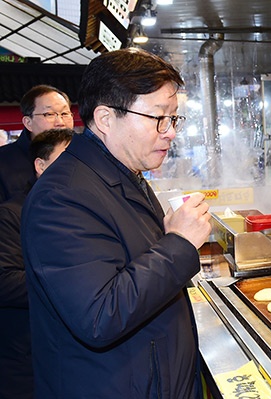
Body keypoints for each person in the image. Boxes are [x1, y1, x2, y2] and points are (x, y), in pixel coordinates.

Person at [21, 48, 212, 398]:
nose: (170, 132)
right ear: (106, 118)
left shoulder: (123, 174)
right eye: (159, 118)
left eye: (174, 119)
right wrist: (179, 244)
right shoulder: (63, 195)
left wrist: (166, 235)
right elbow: (99, 316)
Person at [0, 128, 73, 399]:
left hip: (69, 356)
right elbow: (5, 282)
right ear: (40, 166)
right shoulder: (11, 215)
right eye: (67, 159)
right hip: (25, 359)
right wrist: (74, 281)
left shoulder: (80, 213)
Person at [0, 85, 74, 202]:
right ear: (28, 122)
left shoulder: (85, 156)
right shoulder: (4, 161)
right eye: (49, 114)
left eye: (65, 114)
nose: (60, 122)